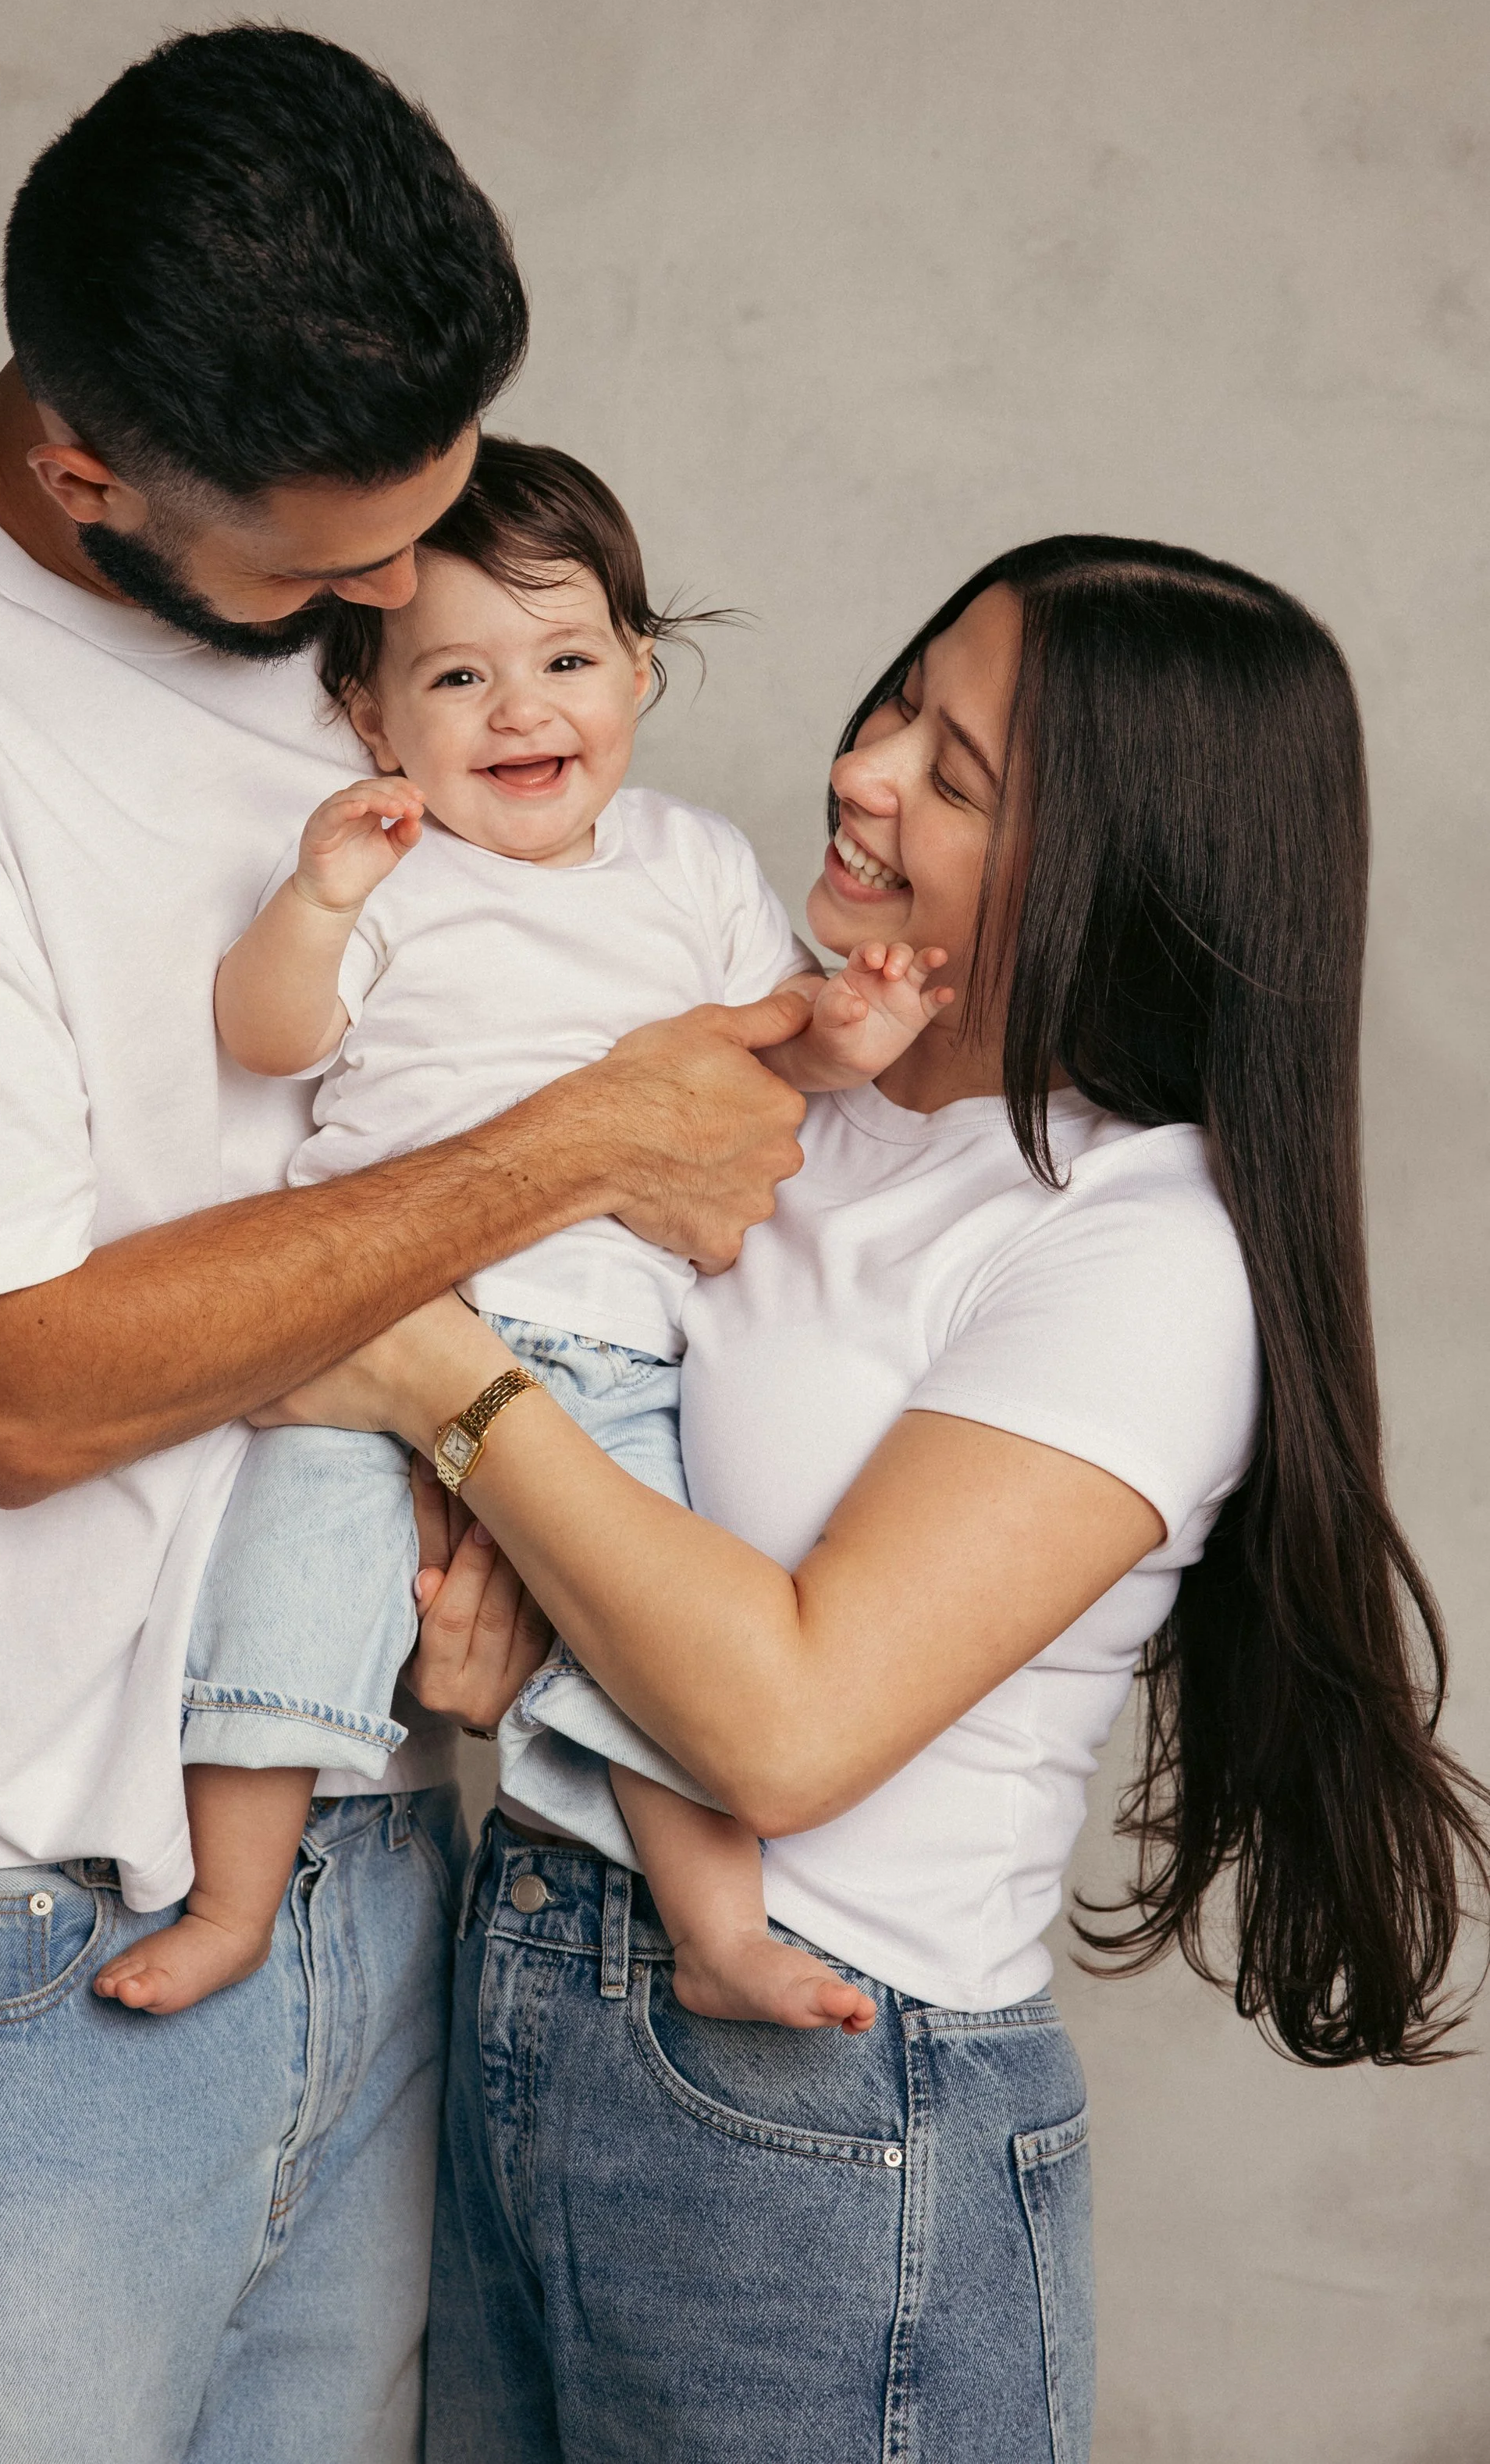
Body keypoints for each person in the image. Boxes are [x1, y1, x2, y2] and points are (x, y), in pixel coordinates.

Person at [0, 27, 813, 2464]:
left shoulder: (339, 621)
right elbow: (23, 1385)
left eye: (440, 524)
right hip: (9, 1907)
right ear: (82, 471)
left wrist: (481, 1512)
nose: (400, 607)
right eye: (338, 569)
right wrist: (589, 1144)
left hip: (375, 1814)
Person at [261, 535, 1490, 2464]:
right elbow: (610, 1481)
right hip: (534, 1993)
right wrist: (508, 1601)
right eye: (899, 699)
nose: (863, 770)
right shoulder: (779, 1084)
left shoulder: (1136, 1248)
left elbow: (782, 1724)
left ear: (1119, 868)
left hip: (824, 2107)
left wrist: (434, 1380)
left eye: (957, 772)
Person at [92, 436, 948, 2032]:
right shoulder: (393, 868)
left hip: (612, 1351)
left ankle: (716, 1933)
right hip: (377, 1334)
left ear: (640, 669)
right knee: (276, 1598)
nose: (520, 710)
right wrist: (319, 901)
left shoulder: (688, 862)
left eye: (566, 659)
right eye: (458, 678)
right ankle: (227, 1903)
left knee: (662, 1658)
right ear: (369, 716)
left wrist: (853, 1037)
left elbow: (765, 1063)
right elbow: (271, 1037)